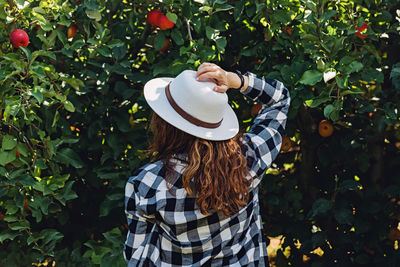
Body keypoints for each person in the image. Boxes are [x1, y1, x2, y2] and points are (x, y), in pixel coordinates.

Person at [124, 62, 291, 266]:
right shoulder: (249, 159)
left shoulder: (147, 183)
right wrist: (234, 80)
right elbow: (279, 99)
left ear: (164, 125)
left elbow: (137, 256)